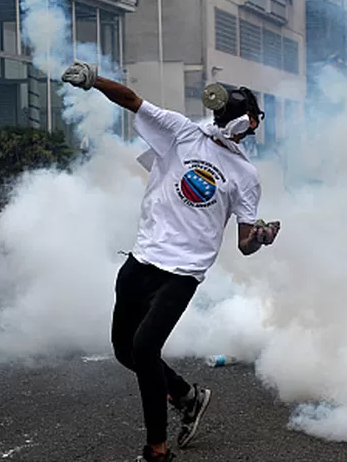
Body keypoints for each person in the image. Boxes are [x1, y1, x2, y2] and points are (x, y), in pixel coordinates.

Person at [61, 61, 281, 462]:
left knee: (145, 348)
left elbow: (245, 242)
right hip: (142, 259)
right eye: (250, 120)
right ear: (241, 122)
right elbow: (132, 101)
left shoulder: (246, 175)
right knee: (124, 351)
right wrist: (95, 81)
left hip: (182, 274)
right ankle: (186, 396)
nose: (250, 127)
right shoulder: (182, 132)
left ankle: (156, 450)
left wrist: (262, 237)